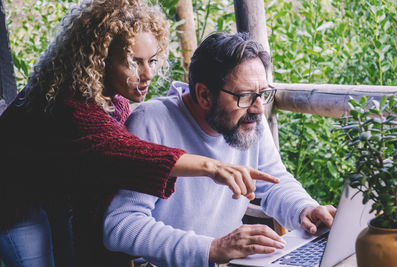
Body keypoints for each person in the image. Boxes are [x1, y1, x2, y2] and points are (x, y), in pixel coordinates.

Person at [0, 2, 278, 266]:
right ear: (100, 61)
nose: (148, 74)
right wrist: (211, 166)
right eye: (134, 63)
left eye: (153, 60)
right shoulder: (69, 102)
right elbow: (126, 152)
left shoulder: (116, 100)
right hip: (14, 199)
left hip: (54, 194)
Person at [103, 32, 337, 266]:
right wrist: (212, 248)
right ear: (204, 95)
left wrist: (304, 209)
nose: (258, 108)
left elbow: (275, 182)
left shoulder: (249, 118)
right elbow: (121, 225)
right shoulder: (151, 123)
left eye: (262, 94)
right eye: (244, 96)